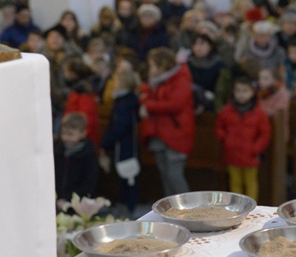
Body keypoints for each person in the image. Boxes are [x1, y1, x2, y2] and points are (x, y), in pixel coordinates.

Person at [139, 47, 195, 196]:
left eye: (152, 65)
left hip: (175, 133)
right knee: (165, 175)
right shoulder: (156, 81)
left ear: (162, 66)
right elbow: (146, 95)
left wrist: (149, 107)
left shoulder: (180, 78)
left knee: (174, 175)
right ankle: (171, 212)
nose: (150, 69)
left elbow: (176, 104)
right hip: (159, 132)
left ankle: (188, 212)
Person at [215, 75, 271, 202]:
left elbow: (265, 134)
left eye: (245, 91)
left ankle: (251, 207)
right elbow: (219, 127)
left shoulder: (259, 113)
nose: (241, 94)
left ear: (252, 92)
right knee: (235, 182)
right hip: (232, 153)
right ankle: (237, 206)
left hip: (250, 155)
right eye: (238, 91)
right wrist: (226, 140)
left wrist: (255, 148)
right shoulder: (227, 111)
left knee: (250, 183)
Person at [99, 69, 140, 214]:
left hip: (125, 147)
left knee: (128, 177)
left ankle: (128, 207)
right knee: (125, 177)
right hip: (122, 145)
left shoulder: (125, 103)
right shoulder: (124, 101)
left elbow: (120, 126)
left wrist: (106, 142)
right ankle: (125, 204)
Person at [54, 112, 99, 212]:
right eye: (63, 133)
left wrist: (68, 198)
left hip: (79, 204)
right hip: (57, 202)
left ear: (83, 133)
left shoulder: (88, 154)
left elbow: (88, 183)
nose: (66, 137)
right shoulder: (57, 150)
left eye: (70, 134)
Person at [186, 33, 230, 114]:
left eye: (202, 44)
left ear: (210, 46)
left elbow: (222, 89)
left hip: (212, 104)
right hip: (190, 103)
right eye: (196, 44)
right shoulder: (188, 64)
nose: (199, 48)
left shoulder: (219, 65)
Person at [61, 55, 100, 146]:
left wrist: (79, 136)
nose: (64, 74)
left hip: (79, 140)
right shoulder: (76, 91)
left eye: (66, 71)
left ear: (73, 74)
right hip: (72, 134)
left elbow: (88, 120)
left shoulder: (84, 94)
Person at [258, 67, 290, 141]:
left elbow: (279, 114)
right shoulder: (259, 93)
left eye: (265, 78)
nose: (261, 81)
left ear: (274, 80)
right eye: (260, 78)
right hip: (261, 128)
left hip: (277, 130)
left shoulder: (282, 93)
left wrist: (260, 113)